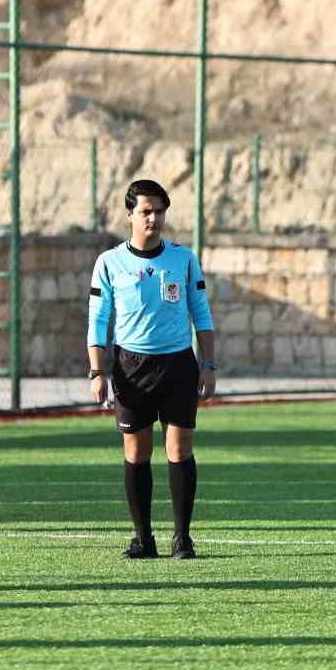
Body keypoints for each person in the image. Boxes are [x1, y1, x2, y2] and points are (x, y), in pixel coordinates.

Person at [87, 179, 216, 560]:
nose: (153, 218)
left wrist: (208, 364)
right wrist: (98, 371)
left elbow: (202, 314)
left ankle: (182, 537)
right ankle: (143, 538)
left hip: (178, 364)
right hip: (130, 366)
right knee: (137, 450)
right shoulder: (109, 263)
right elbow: (98, 319)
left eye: (159, 211)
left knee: (179, 449)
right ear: (130, 214)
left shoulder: (183, 259)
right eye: (146, 211)